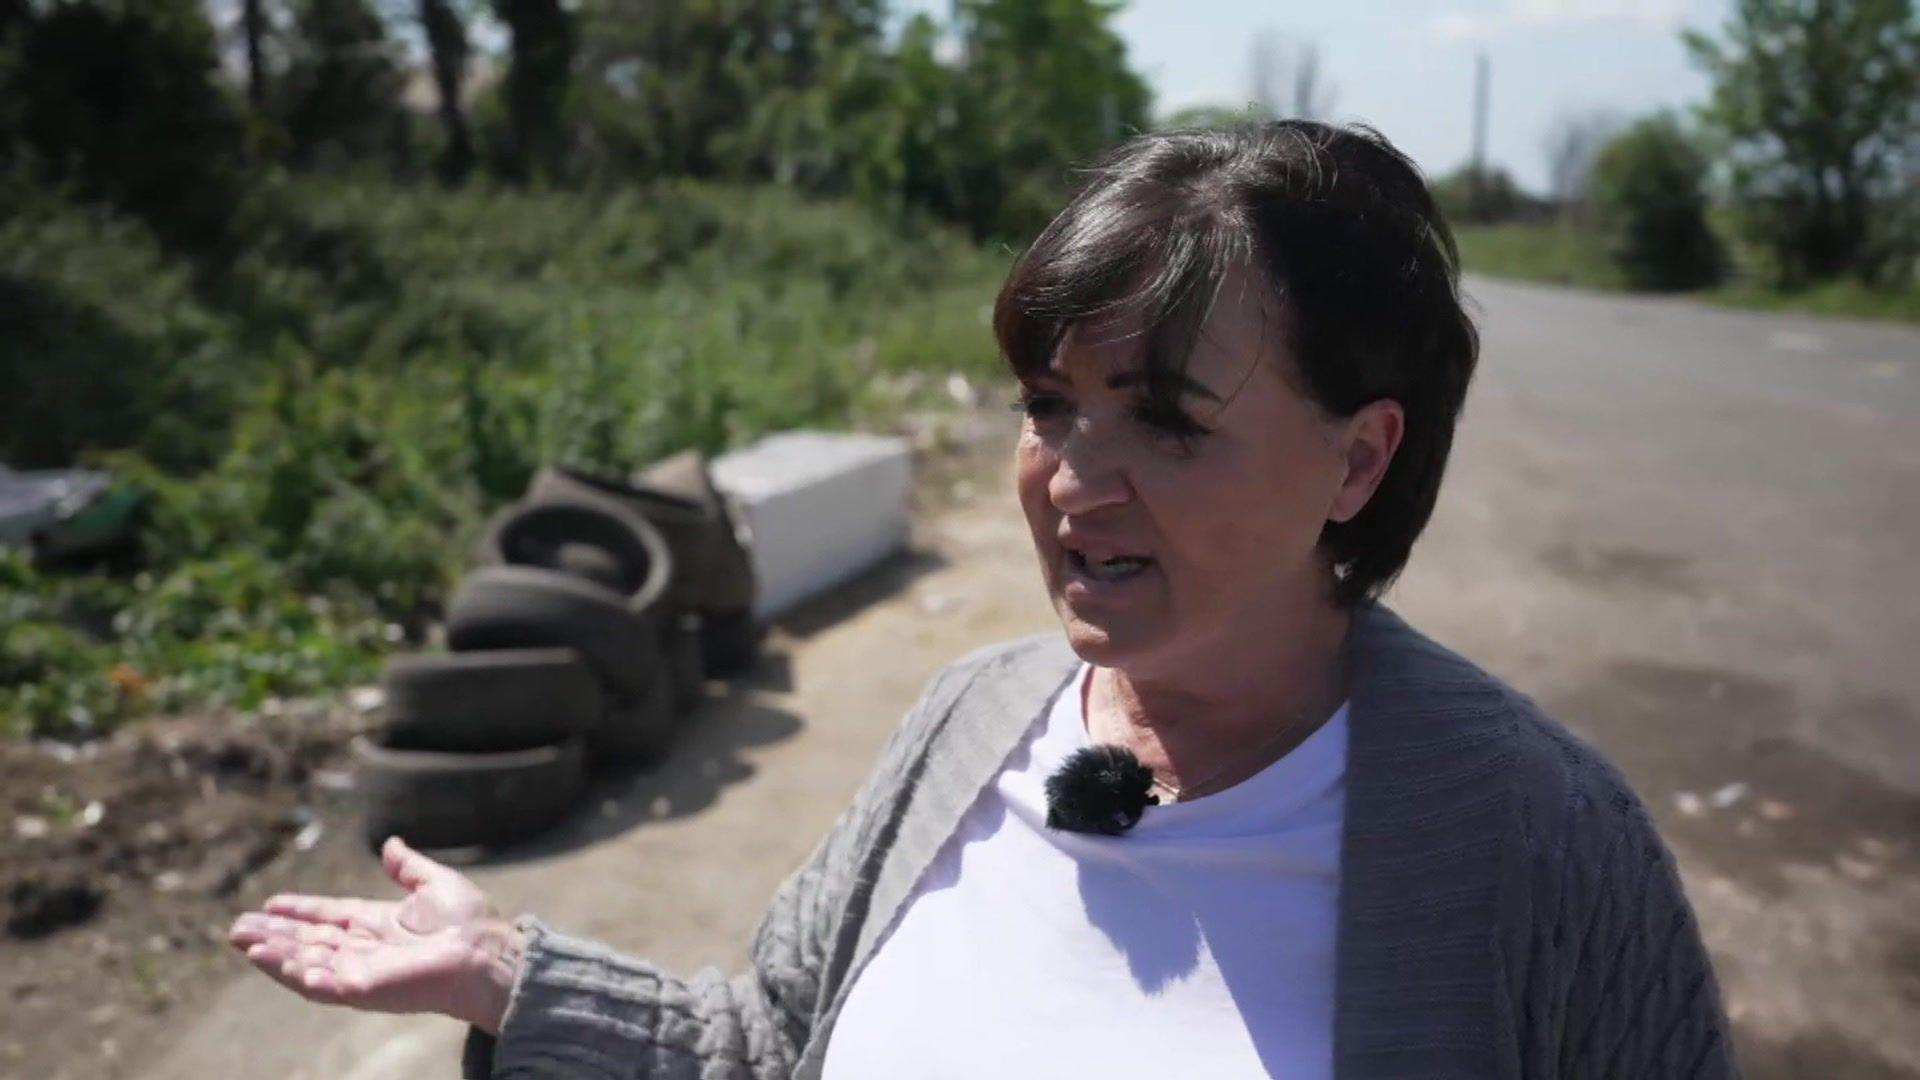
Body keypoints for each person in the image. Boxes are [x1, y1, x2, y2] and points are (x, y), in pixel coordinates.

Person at [228, 121, 1739, 1079]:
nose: (1072, 480)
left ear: (1360, 458)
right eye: (1049, 405)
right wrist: (515, 979)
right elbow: (767, 1046)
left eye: (1164, 419)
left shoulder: (1540, 846)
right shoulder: (976, 718)